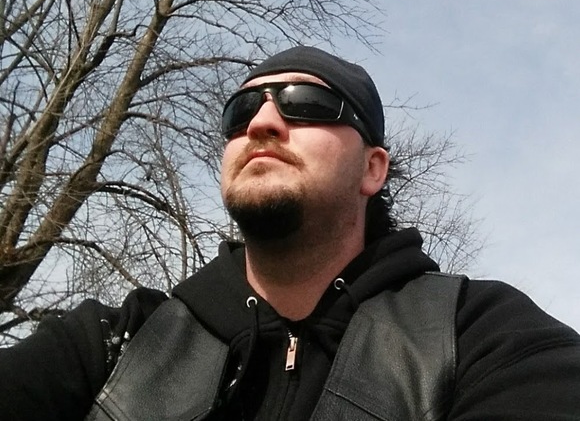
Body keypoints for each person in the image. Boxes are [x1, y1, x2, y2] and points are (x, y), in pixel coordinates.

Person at [1, 46, 579, 420]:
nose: (262, 122)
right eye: (241, 111)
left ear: (372, 168)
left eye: (307, 104)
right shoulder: (117, 343)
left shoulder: (478, 334)